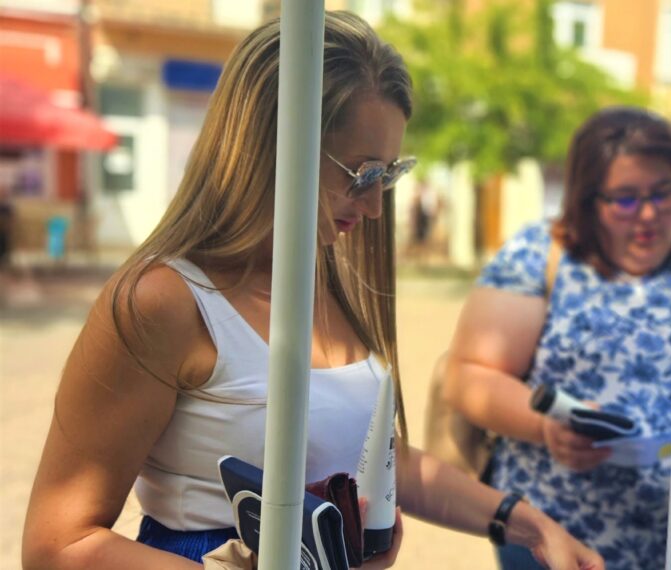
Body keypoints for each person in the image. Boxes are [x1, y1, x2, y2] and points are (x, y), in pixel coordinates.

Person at [21, 11, 602, 570]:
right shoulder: (164, 301)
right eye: (362, 174)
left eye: (388, 176)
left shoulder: (323, 283)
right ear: (270, 148)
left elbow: (376, 458)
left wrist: (529, 523)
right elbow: (58, 543)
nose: (375, 208)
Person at [443, 106, 671, 569]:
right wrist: (545, 428)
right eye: (625, 199)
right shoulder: (537, 255)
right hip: (557, 545)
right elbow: (470, 376)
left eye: (663, 193)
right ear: (587, 200)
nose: (648, 214)